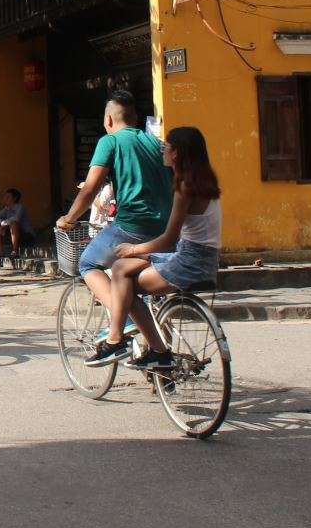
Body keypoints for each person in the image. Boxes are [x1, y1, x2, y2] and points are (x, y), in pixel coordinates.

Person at [88, 126, 222, 369]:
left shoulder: (184, 187)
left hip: (187, 263)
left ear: (177, 153)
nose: (163, 150)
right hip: (204, 260)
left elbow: (169, 238)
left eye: (166, 147)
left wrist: (133, 250)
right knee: (124, 271)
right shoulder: (205, 183)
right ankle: (146, 348)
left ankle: (122, 341)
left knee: (121, 276)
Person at [54, 91, 172, 336]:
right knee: (129, 278)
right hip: (166, 228)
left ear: (108, 120)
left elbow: (90, 189)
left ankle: (124, 319)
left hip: (132, 226)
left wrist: (69, 219)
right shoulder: (156, 143)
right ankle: (158, 353)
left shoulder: (110, 141)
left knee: (87, 263)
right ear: (136, 117)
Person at [0, 188, 30, 256]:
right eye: (5, 197)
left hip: (26, 235)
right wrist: (1, 222)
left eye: (8, 197)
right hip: (13, 236)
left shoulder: (20, 207)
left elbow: (16, 218)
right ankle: (0, 250)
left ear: (15, 198)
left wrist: (4, 224)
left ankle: (15, 250)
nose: (5, 199)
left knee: (13, 224)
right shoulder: (6, 209)